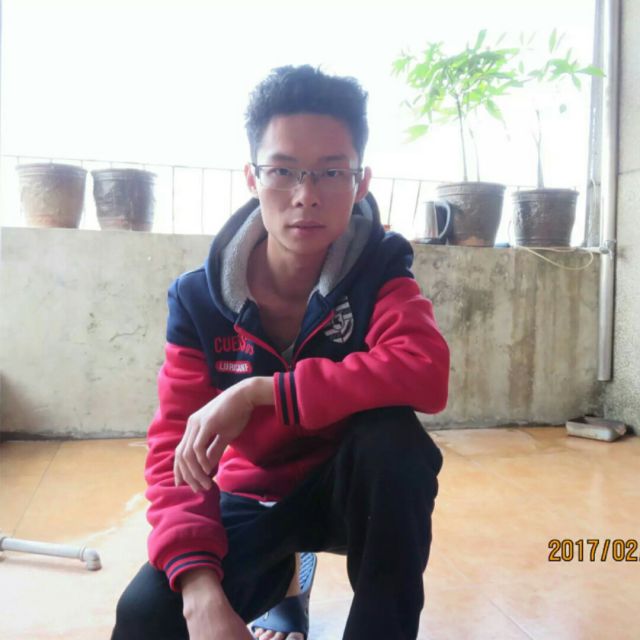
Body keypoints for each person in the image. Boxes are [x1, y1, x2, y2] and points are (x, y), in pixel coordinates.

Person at [112, 65, 449, 640]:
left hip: (351, 491)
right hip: (255, 494)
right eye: (283, 170)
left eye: (331, 171)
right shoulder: (200, 299)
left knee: (395, 443)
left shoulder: (379, 269)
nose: (306, 195)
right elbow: (175, 448)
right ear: (252, 177)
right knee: (146, 617)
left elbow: (424, 370)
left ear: (360, 182)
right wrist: (200, 592)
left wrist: (261, 391)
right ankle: (286, 579)